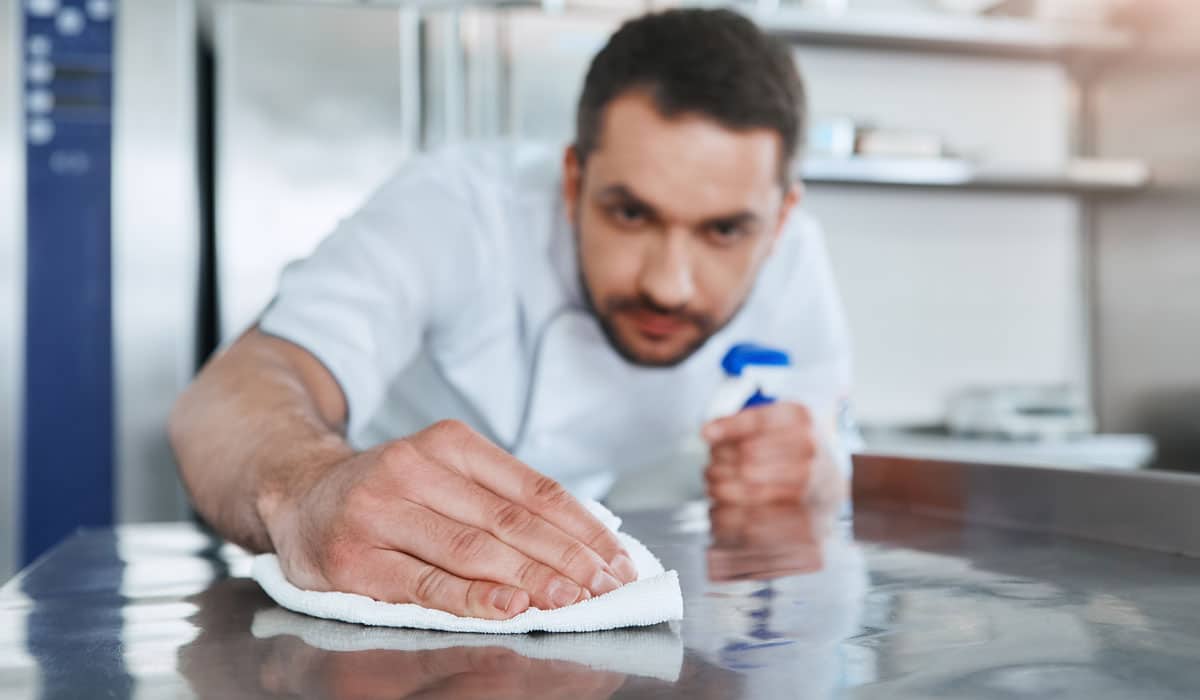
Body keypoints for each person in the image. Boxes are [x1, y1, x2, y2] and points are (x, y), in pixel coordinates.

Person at [169, 8, 853, 621]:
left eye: (724, 231)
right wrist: (309, 487)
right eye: (631, 213)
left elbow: (825, 447)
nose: (669, 286)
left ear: (780, 219)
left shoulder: (795, 260)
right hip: (377, 590)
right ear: (574, 180)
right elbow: (229, 394)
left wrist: (814, 470)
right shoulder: (458, 208)